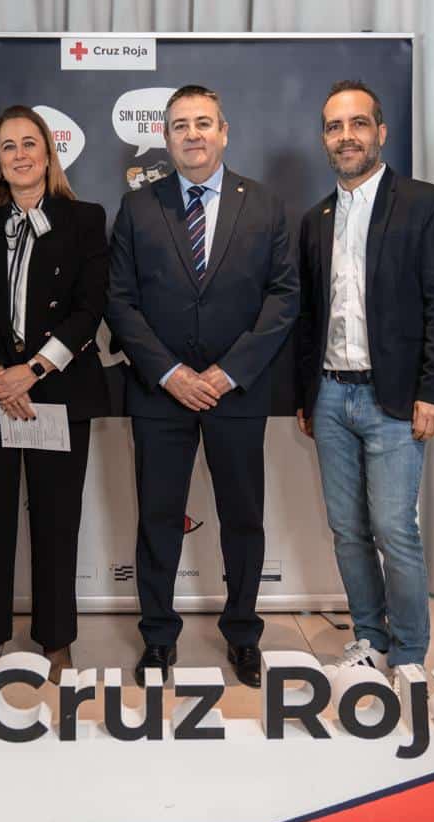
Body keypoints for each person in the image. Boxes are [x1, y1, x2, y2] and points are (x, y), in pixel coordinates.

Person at [106, 85, 299, 688]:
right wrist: (170, 373)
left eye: (203, 123)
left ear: (224, 131)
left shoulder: (265, 205)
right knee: (157, 519)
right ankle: (158, 638)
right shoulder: (137, 208)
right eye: (180, 125)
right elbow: (119, 300)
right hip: (160, 395)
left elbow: (283, 297)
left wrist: (227, 371)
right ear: (166, 138)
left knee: (242, 519)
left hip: (236, 393)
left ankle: (243, 634)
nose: (192, 134)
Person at [294, 80, 434, 683]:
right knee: (348, 531)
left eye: (358, 124)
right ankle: (368, 637)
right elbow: (309, 316)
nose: (347, 137)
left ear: (380, 133)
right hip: (330, 395)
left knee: (395, 528)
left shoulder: (423, 203)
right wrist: (305, 398)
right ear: (324, 139)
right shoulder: (315, 219)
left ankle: (410, 653)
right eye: (335, 127)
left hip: (395, 398)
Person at [0, 106, 109, 686]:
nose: (19, 154)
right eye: (8, 146)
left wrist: (33, 370)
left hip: (56, 388)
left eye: (29, 143)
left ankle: (56, 638)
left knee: (57, 519)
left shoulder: (85, 218)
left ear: (48, 153)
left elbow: (91, 307)